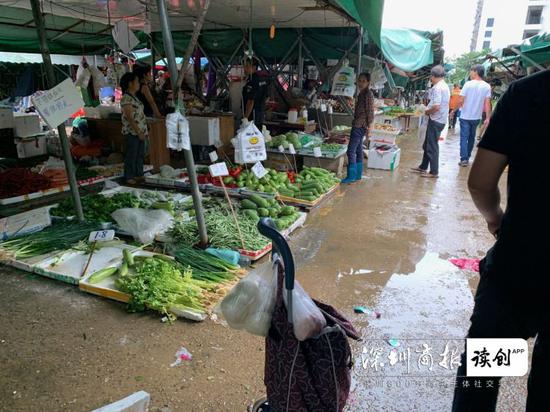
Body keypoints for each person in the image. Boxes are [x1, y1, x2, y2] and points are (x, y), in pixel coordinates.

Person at [451, 69, 550, 412]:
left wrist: (496, 220)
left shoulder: (528, 93)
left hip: (519, 271)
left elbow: (480, 182)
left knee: (484, 376)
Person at [411, 65, 450, 179]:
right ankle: (423, 166)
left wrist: (426, 112)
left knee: (432, 146)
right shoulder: (445, 86)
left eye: (431, 77)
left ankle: (434, 171)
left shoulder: (437, 87)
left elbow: (436, 106)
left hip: (436, 119)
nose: (430, 79)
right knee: (428, 144)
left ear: (433, 76)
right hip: (440, 119)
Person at [341, 72, 374, 184]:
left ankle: (351, 176)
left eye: (363, 81)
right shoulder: (362, 94)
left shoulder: (367, 94)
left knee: (351, 150)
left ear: (368, 82)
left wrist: (370, 128)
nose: (361, 83)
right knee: (359, 150)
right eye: (359, 81)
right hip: (359, 125)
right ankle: (358, 175)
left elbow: (370, 113)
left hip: (360, 126)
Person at [457, 65, 491, 167]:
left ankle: (464, 159)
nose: (470, 73)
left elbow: (461, 100)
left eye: (471, 71)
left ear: (475, 72)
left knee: (464, 138)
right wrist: (488, 117)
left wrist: (454, 110)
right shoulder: (487, 86)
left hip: (465, 116)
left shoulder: (468, 84)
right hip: (476, 117)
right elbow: (487, 103)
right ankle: (467, 156)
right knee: (471, 137)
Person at [120, 72, 148, 185]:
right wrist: (138, 131)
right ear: (130, 83)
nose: (138, 84)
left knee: (140, 154)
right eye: (136, 82)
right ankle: (129, 176)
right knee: (131, 155)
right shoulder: (126, 98)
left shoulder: (134, 97)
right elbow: (130, 118)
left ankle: (138, 174)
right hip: (132, 132)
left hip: (140, 131)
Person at [242, 59, 268, 129]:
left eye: (247, 66)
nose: (245, 68)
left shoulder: (252, 81)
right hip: (260, 114)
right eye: (244, 66)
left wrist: (245, 118)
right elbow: (267, 97)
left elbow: (250, 101)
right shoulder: (263, 79)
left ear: (254, 67)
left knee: (251, 137)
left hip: (252, 115)